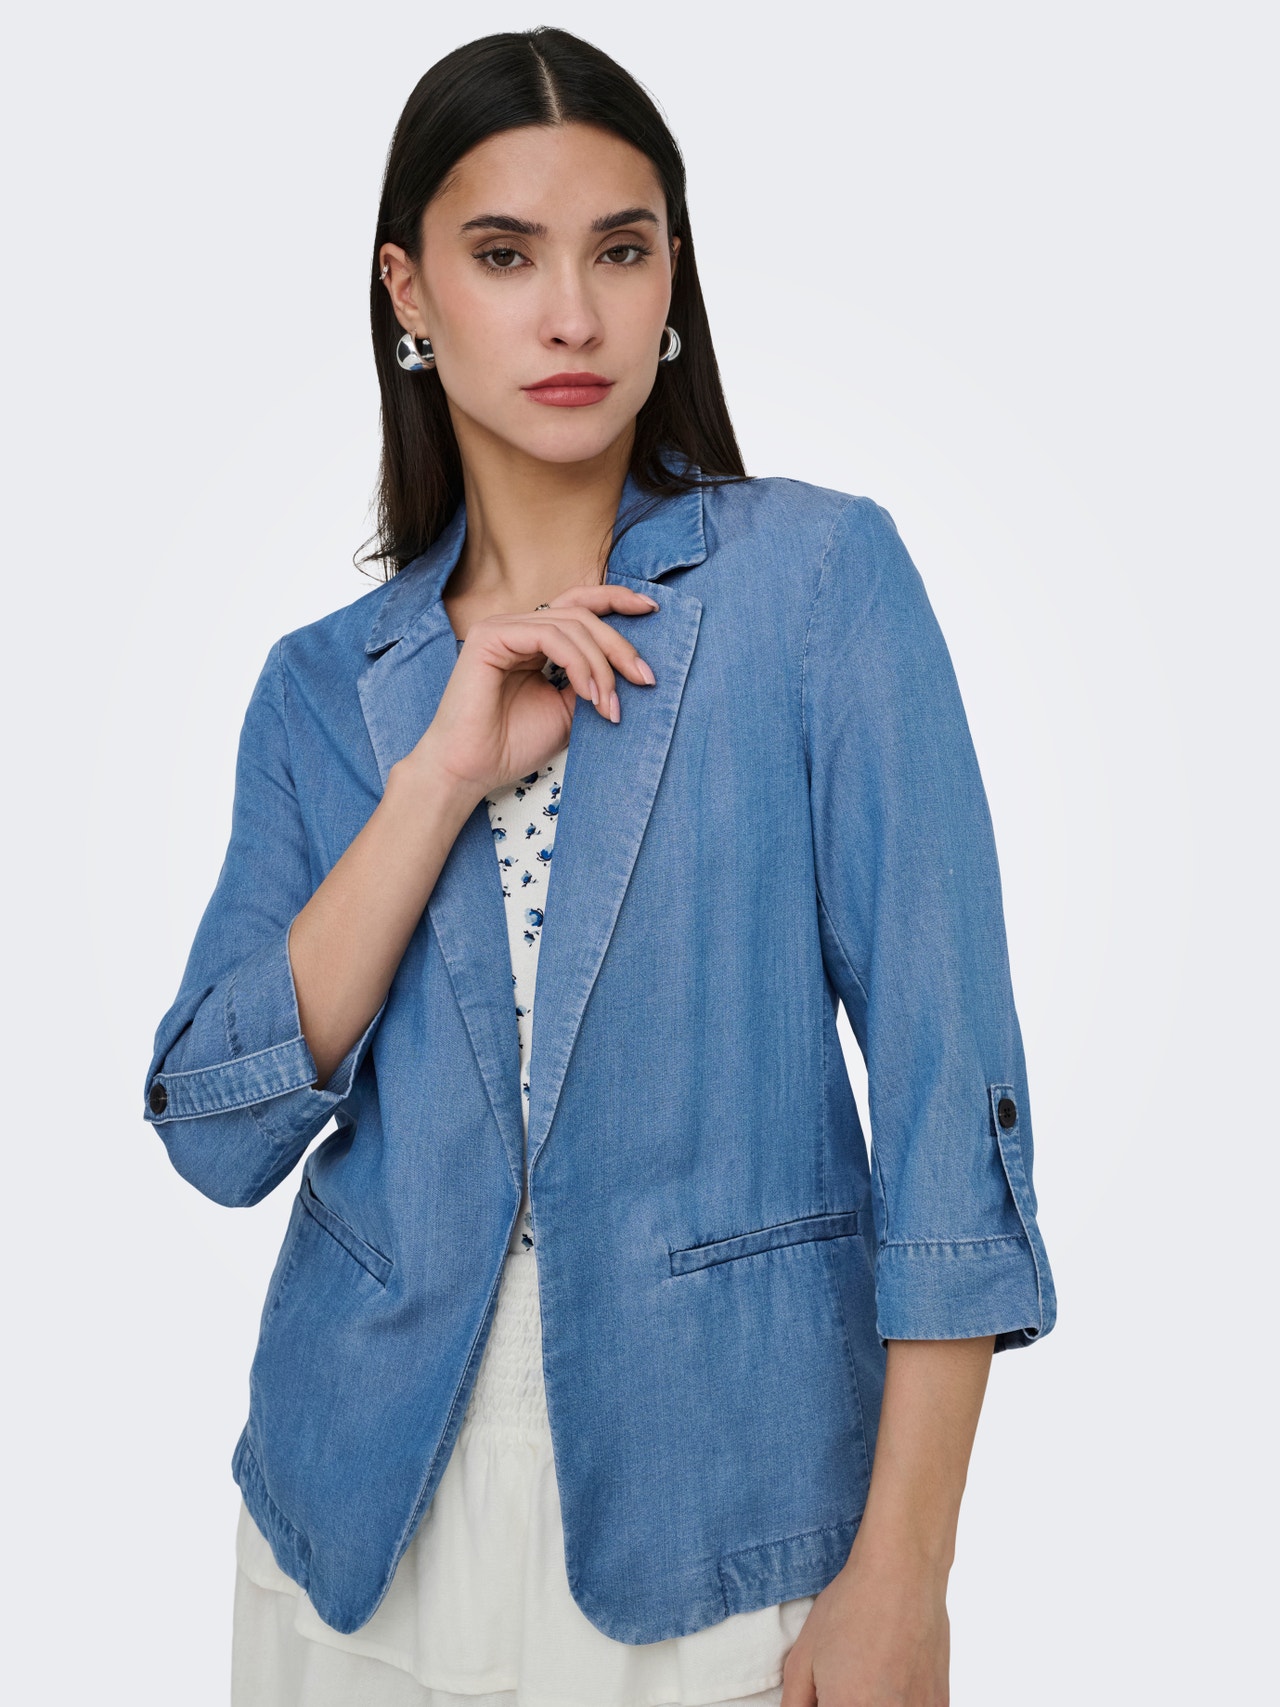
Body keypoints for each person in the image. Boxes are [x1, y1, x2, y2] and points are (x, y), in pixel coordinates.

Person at [142, 25, 1056, 1707]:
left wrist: (906, 1577)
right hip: (350, 1529)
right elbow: (214, 1130)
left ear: (671, 280)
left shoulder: (815, 588)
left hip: (735, 1521)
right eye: (506, 256)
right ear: (411, 293)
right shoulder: (324, 687)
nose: (572, 315)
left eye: (620, 252)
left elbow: (951, 1097)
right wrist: (437, 780)